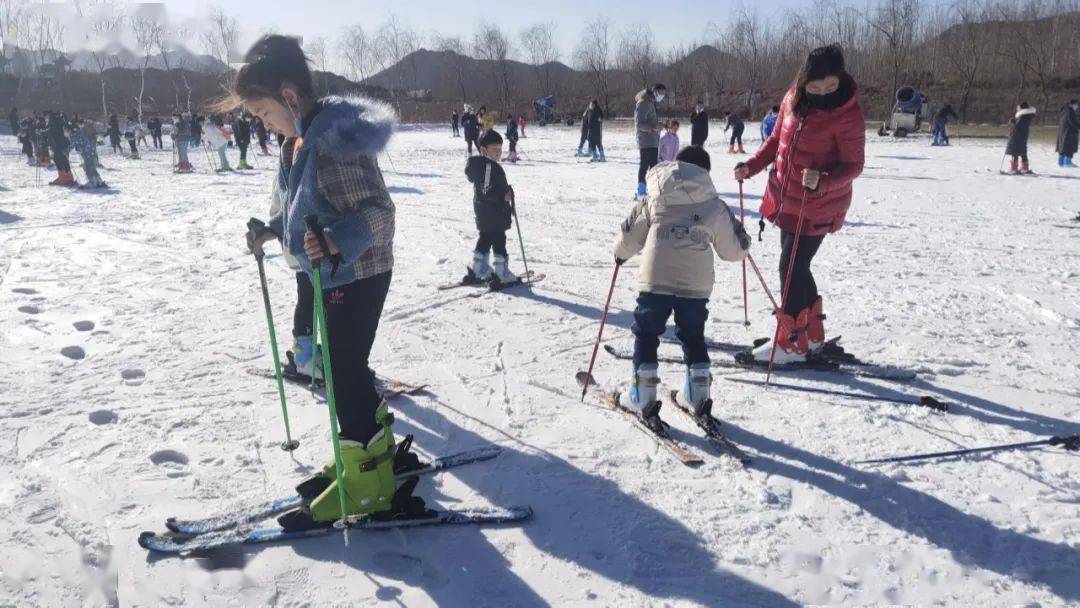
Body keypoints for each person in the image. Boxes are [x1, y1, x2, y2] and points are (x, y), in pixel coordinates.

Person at [239, 34, 401, 529]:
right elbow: (297, 207)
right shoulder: (297, 142)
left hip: (359, 271)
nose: (264, 124)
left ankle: (369, 485)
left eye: (265, 112)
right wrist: (271, 230)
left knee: (344, 372)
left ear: (289, 96)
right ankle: (367, 451)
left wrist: (335, 241)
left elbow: (380, 214)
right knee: (342, 369)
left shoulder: (333, 143)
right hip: (331, 273)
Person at [734, 44, 865, 363]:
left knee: (789, 268)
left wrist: (822, 181)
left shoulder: (848, 114)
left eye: (830, 86)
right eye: (815, 87)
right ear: (804, 81)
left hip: (820, 205)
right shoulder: (792, 98)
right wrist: (751, 165)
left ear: (841, 79)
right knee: (797, 266)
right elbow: (776, 141)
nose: (822, 93)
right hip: (787, 199)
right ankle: (810, 333)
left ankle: (790, 342)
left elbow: (853, 166)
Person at [613, 145, 751, 425]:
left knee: (647, 333)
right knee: (692, 335)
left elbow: (631, 235)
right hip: (695, 284)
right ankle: (698, 395)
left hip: (656, 279)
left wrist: (619, 254)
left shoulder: (655, 194)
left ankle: (642, 395)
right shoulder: (714, 205)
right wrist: (744, 242)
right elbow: (732, 252)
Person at [462, 129, 518, 285]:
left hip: (486, 212)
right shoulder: (487, 166)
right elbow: (486, 190)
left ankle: (480, 267)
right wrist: (504, 196)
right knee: (499, 239)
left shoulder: (486, 165)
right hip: (493, 213)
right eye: (495, 150)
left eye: (500, 149)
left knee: (485, 238)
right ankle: (501, 272)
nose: (498, 153)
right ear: (483, 150)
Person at [634, 83, 666, 198]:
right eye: (661, 93)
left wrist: (658, 125)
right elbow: (639, 124)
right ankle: (641, 191)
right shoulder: (644, 103)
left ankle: (652, 188)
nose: (662, 96)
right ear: (655, 91)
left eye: (664, 94)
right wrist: (653, 127)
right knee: (645, 164)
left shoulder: (651, 103)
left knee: (653, 166)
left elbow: (650, 121)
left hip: (652, 140)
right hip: (645, 140)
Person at [69, 121, 107, 189]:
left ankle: (92, 181)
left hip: (87, 153)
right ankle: (98, 180)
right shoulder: (80, 132)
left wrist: (67, 150)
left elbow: (73, 144)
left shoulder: (76, 135)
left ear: (72, 130)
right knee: (92, 167)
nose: (69, 133)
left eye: (69, 131)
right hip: (90, 152)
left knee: (88, 167)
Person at [1005, 102, 1036, 174]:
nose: (1017, 109)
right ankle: (1024, 168)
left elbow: (1018, 127)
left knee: (1015, 151)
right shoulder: (1027, 115)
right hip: (1023, 135)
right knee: (1023, 151)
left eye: (1018, 107)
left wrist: (1012, 122)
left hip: (1017, 136)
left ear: (1022, 108)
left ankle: (1014, 168)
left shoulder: (1022, 116)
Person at [47, 112, 75, 186]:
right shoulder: (60, 121)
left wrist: (40, 132)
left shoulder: (53, 123)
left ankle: (67, 178)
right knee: (60, 159)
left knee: (60, 159)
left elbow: (48, 131)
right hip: (62, 145)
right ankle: (64, 177)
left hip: (60, 145)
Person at [1056, 99, 1079, 168]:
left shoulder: (1063, 110)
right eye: (1076, 104)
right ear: (1072, 104)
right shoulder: (1070, 111)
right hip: (1069, 132)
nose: (1077, 106)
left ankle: (1061, 162)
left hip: (1062, 131)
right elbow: (1072, 121)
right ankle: (1067, 162)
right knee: (1069, 146)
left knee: (1062, 146)